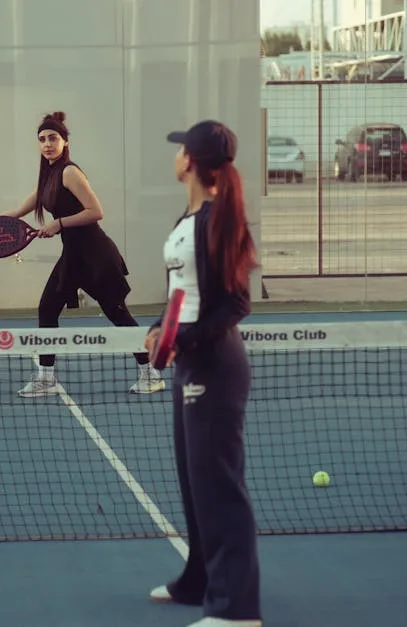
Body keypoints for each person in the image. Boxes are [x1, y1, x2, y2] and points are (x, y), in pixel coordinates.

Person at [143, 120, 261, 627]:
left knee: (219, 487)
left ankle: (237, 612)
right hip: (190, 359)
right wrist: (158, 331)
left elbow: (235, 303)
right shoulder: (190, 218)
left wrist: (182, 342)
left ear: (190, 161)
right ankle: (200, 581)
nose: (175, 157)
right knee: (195, 484)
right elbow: (184, 293)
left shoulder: (216, 220)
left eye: (180, 151)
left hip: (214, 366)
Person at [0, 111, 165, 397]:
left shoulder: (69, 172)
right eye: (42, 139)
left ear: (65, 142)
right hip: (73, 258)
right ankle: (46, 378)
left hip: (97, 256)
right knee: (47, 309)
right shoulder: (48, 178)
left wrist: (59, 223)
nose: (47, 144)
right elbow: (17, 212)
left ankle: (150, 372)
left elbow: (96, 212)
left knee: (117, 315)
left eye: (53, 138)